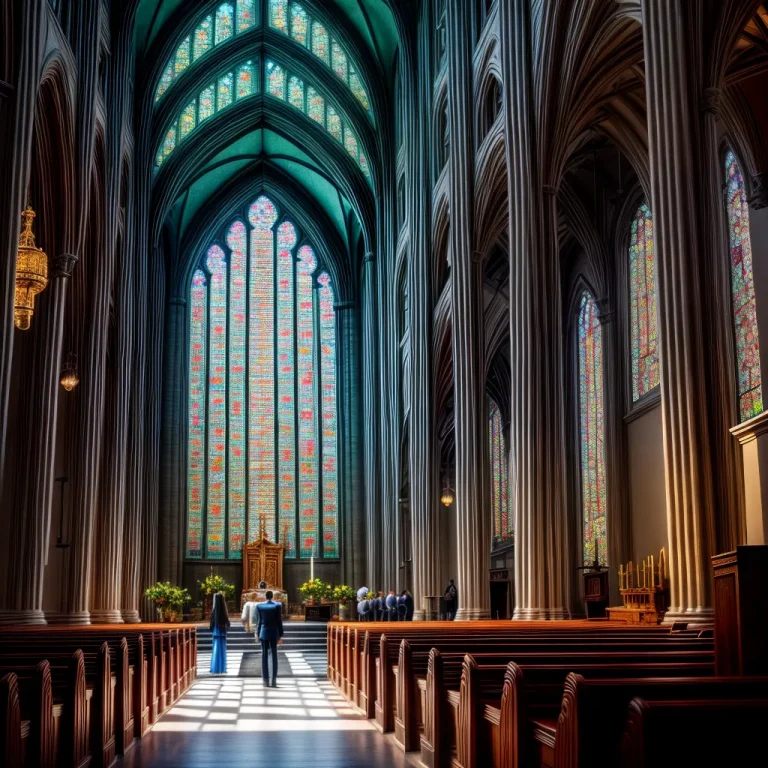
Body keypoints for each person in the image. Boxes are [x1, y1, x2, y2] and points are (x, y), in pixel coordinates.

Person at [256, 589, 284, 687]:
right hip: (274, 632)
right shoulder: (277, 605)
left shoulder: (259, 606)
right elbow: (279, 621)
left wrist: (258, 633)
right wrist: (281, 634)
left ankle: (265, 680)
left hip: (263, 632)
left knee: (264, 655)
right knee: (274, 655)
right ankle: (274, 680)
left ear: (265, 596)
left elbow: (259, 622)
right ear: (272, 596)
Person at [209, 592, 231, 674]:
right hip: (222, 632)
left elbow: (211, 624)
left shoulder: (214, 612)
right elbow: (227, 623)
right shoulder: (224, 611)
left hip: (215, 632)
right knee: (222, 650)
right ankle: (222, 668)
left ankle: (214, 668)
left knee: (215, 649)